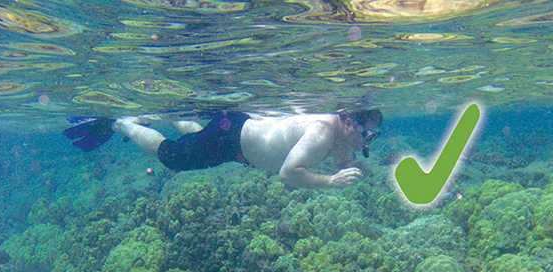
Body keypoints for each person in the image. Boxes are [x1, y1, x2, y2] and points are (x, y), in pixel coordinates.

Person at [62, 108, 384, 189]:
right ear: (347, 121)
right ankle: (122, 122)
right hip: (231, 140)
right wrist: (331, 182)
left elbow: (345, 161)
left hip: (236, 138)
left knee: (196, 139)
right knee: (174, 157)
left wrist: (359, 168)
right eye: (366, 132)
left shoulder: (342, 135)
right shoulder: (324, 131)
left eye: (373, 136)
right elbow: (288, 174)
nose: (368, 141)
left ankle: (172, 114)